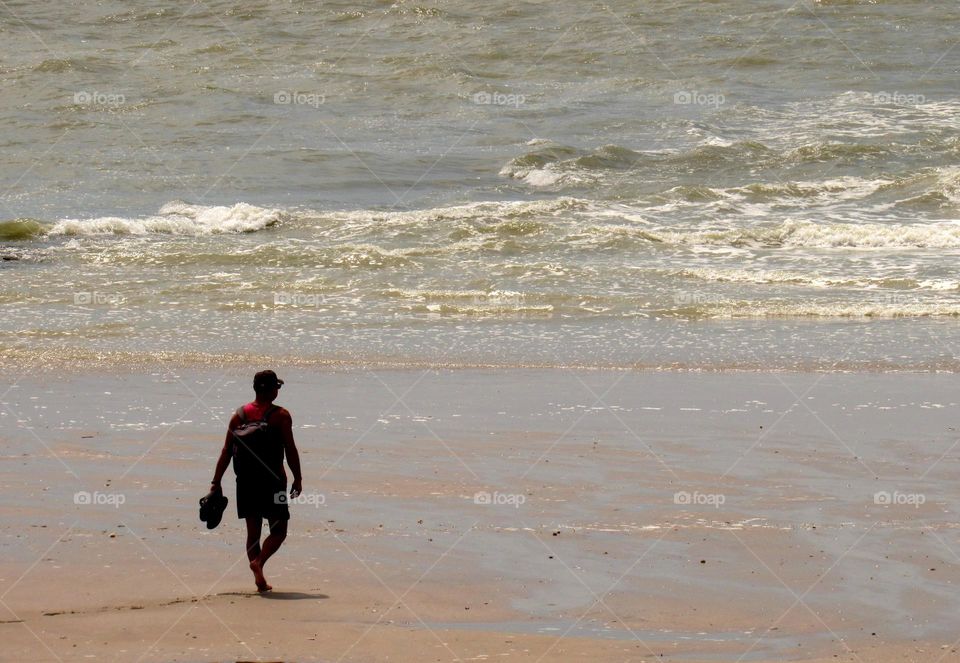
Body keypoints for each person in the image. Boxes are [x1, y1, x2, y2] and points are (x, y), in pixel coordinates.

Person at [210, 370, 302, 592]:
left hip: (245, 482)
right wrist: (298, 478)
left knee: (253, 532)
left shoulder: (238, 416)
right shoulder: (281, 415)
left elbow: (226, 452)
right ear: (271, 390)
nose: (278, 390)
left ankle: (259, 579)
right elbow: (290, 449)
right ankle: (258, 563)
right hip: (274, 482)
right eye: (277, 387)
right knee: (279, 531)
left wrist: (216, 482)